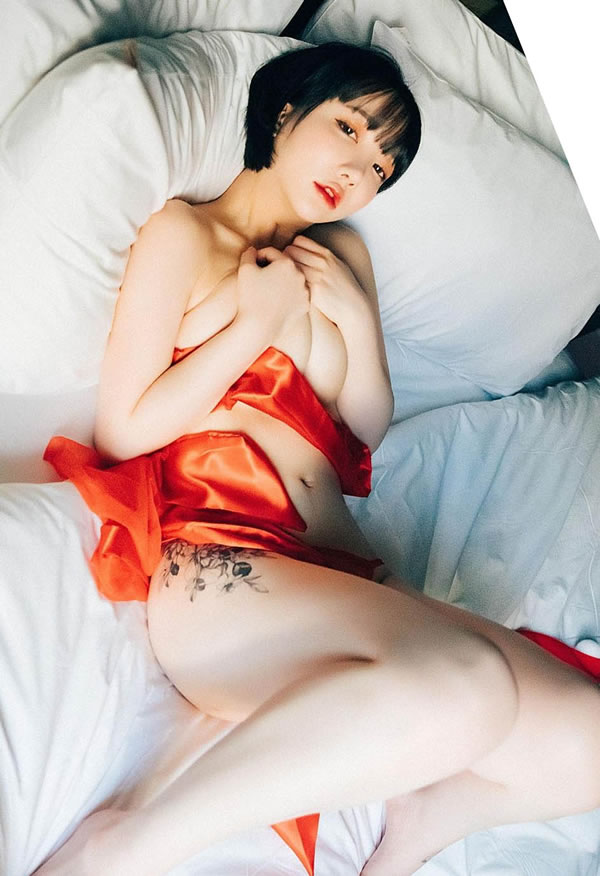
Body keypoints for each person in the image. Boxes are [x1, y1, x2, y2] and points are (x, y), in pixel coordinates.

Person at [36, 42, 600, 876]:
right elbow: (124, 429)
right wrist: (256, 324)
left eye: (382, 165)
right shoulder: (185, 234)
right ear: (285, 112)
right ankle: (125, 846)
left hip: (340, 569)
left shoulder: (342, 254)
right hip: (223, 571)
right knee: (474, 684)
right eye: (348, 127)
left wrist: (357, 323)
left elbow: (363, 429)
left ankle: (423, 818)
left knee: (589, 737)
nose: (359, 170)